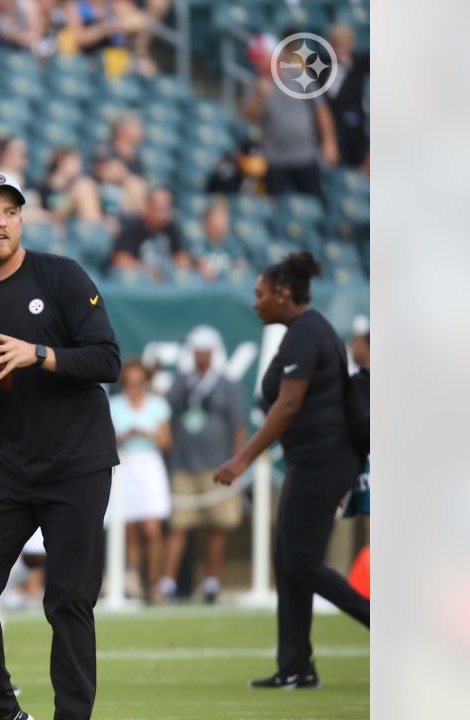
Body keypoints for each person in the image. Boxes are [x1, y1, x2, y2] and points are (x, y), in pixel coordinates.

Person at [0, 170, 121, 720]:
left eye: (10, 211)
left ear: (21, 219)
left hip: (78, 461)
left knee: (67, 600)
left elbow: (107, 359)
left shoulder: (61, 276)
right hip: (12, 461)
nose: (1, 222)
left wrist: (36, 353)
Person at [214, 251, 370, 689]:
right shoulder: (305, 330)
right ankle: (296, 666)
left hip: (322, 461)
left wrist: (242, 457)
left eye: (260, 293)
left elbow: (288, 405)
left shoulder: (306, 333)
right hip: (315, 460)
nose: (255, 301)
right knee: (289, 561)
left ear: (283, 293)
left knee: (299, 560)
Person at [162, 325, 247, 603]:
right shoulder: (181, 382)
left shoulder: (228, 384)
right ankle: (168, 583)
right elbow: (167, 417)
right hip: (184, 464)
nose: (199, 356)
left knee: (217, 526)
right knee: (179, 525)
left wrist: (236, 461)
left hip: (217, 465)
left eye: (203, 351)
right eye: (196, 351)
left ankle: (211, 582)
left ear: (212, 352)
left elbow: (238, 426)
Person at [241, 32, 337, 203]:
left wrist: (329, 142)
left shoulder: (297, 75)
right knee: (275, 208)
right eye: (254, 59)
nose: (255, 62)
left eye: (259, 57)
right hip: (275, 159)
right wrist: (259, 96)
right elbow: (249, 116)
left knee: (315, 204)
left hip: (305, 155)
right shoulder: (254, 83)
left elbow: (321, 109)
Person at [108, 358, 172, 603]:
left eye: (137, 383)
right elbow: (108, 439)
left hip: (149, 466)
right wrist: (124, 436)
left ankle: (155, 582)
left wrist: (148, 433)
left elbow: (166, 441)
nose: (133, 387)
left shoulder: (157, 404)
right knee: (128, 529)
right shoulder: (114, 404)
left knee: (152, 528)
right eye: (129, 383)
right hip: (124, 464)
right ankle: (133, 582)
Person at [109, 186, 192, 280]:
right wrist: (147, 272)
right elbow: (120, 260)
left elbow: (182, 258)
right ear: (148, 207)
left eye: (167, 209)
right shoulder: (133, 227)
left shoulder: (172, 227)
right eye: (160, 209)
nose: (164, 215)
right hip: (140, 285)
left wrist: (169, 271)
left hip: (166, 285)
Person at [325, 24, 370, 169]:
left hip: (356, 126)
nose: (341, 50)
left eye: (345, 45)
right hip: (333, 127)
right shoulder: (322, 65)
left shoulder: (359, 63)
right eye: (337, 45)